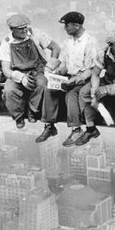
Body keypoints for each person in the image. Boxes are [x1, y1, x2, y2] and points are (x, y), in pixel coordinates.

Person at [0, 14, 61, 130]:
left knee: (42, 84)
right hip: (17, 73)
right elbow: (6, 70)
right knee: (9, 90)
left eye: (25, 27)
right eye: (20, 29)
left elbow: (56, 48)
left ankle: (32, 112)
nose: (24, 30)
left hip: (37, 70)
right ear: (12, 29)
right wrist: (21, 78)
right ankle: (18, 116)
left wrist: (49, 68)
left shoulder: (36, 34)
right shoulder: (6, 43)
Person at [46, 11, 99, 146]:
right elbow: (64, 63)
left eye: (67, 25)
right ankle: (49, 124)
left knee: (72, 94)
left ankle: (77, 129)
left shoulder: (90, 42)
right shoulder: (68, 42)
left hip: (86, 79)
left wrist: (75, 80)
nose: (65, 28)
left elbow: (91, 70)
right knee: (50, 89)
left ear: (76, 25)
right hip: (70, 77)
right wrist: (57, 72)